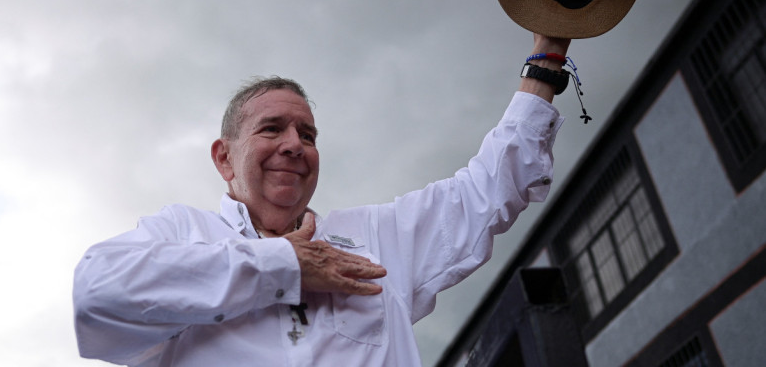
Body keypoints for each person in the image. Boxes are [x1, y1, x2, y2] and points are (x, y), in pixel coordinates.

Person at [73, 33, 570, 366]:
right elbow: (96, 295)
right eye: (272, 129)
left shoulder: (378, 240)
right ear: (224, 159)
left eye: (307, 134)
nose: (294, 144)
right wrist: (281, 265)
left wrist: (546, 57)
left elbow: (486, 189)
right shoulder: (182, 234)